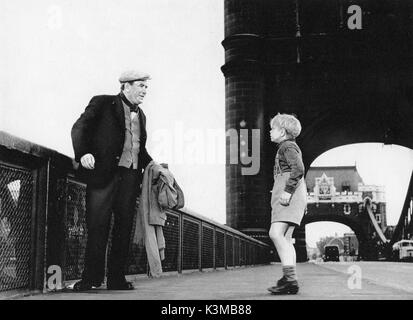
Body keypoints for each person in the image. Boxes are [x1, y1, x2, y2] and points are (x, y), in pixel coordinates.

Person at [71, 70, 153, 291]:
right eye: (141, 85)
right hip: (104, 175)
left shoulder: (142, 115)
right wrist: (83, 153)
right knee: (98, 227)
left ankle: (117, 279)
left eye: (146, 86)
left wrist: (155, 167)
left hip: (130, 178)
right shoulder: (102, 103)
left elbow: (139, 149)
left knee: (124, 229)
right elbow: (79, 128)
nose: (145, 90)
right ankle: (91, 279)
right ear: (126, 86)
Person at [267, 113, 307, 295]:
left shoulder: (287, 146)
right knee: (287, 239)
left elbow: (298, 169)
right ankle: (289, 277)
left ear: (282, 132)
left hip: (289, 196)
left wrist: (287, 190)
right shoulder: (288, 146)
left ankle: (289, 279)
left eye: (272, 128)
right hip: (294, 196)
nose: (269, 131)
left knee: (275, 233)